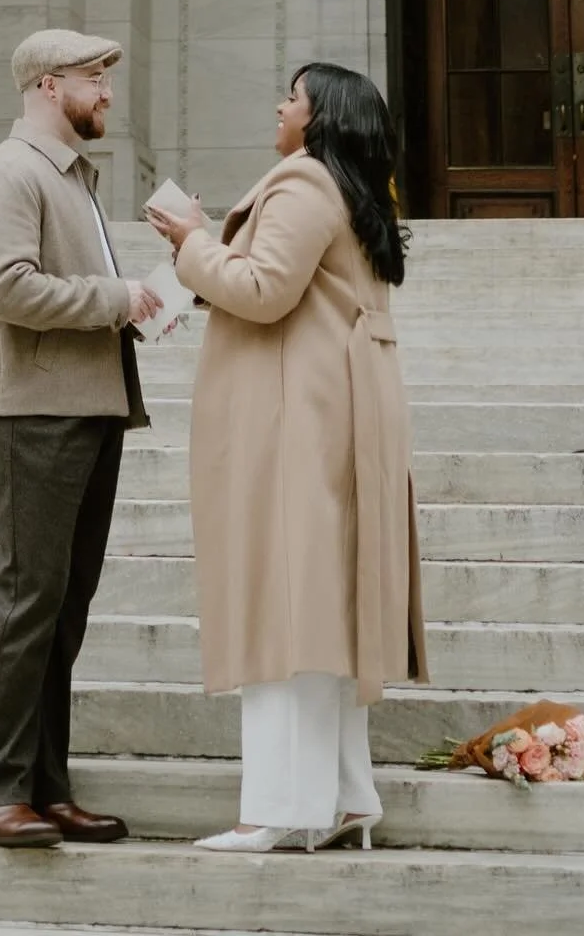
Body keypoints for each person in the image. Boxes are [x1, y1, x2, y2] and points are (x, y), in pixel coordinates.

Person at [147, 61, 427, 853]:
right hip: (338, 405)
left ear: (321, 117)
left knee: (285, 605)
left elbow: (266, 287)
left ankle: (279, 808)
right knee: (326, 607)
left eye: (293, 96)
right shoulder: (353, 188)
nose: (279, 103)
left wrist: (192, 240)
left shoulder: (303, 183)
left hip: (298, 414)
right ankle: (341, 794)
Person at [0, 29, 162, 849]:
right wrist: (117, 297)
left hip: (84, 407)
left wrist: (137, 303)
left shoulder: (71, 177)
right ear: (49, 85)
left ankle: (44, 785)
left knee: (61, 608)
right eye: (94, 76)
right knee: (27, 600)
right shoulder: (11, 172)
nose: (107, 90)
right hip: (30, 412)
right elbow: (6, 287)